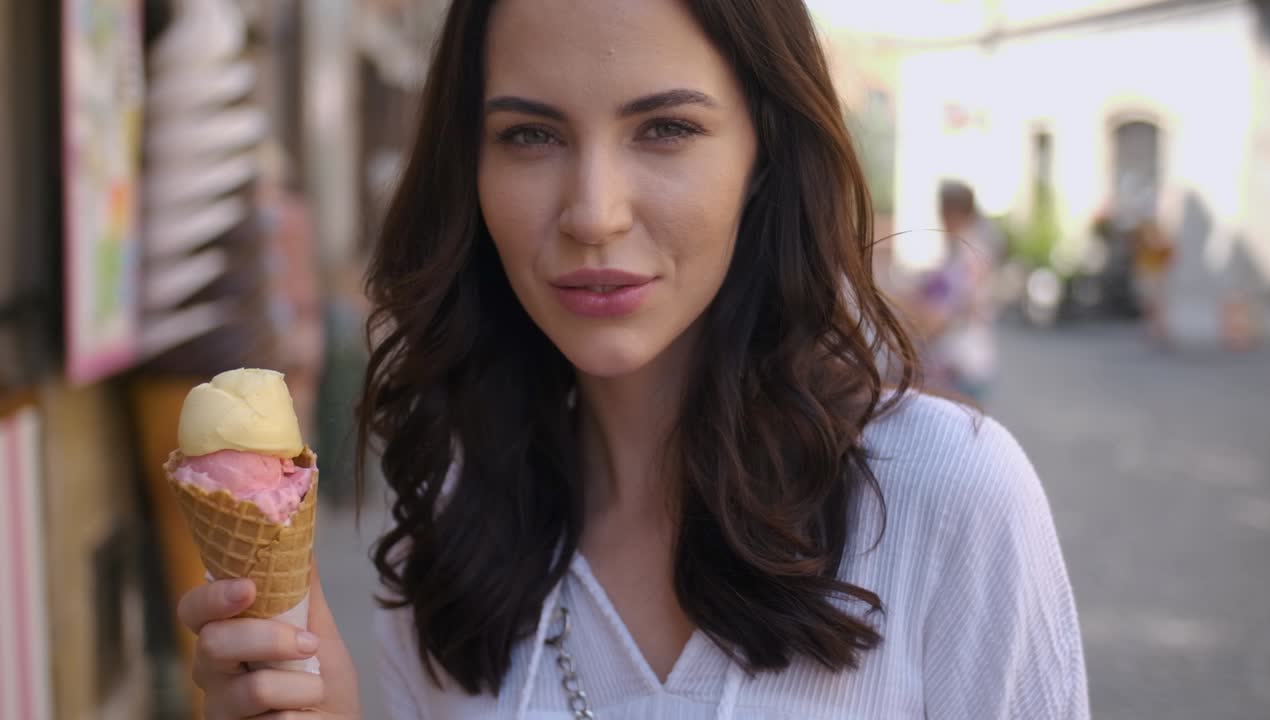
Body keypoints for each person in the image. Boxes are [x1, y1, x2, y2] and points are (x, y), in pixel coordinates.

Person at [176, 2, 1089, 718]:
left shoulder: (948, 495)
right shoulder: (448, 540)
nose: (593, 212)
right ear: (474, 171)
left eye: (665, 129)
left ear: (764, 155)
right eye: (530, 135)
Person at [902, 181, 1004, 403]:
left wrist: (913, 334)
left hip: (959, 363)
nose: (939, 216)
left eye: (943, 209)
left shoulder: (968, 254)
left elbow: (946, 312)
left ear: (957, 212)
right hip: (956, 361)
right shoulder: (959, 249)